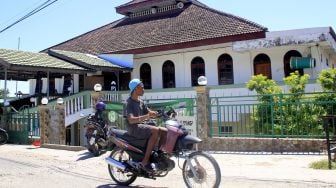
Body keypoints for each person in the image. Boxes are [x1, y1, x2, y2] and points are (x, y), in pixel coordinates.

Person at [125, 78, 167, 172]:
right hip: (134, 128)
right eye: (142, 88)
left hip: (141, 126)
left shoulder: (140, 102)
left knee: (165, 131)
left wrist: (157, 113)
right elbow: (131, 120)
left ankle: (159, 155)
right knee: (155, 130)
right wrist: (147, 116)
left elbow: (148, 112)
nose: (144, 89)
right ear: (135, 89)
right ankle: (145, 161)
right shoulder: (128, 103)